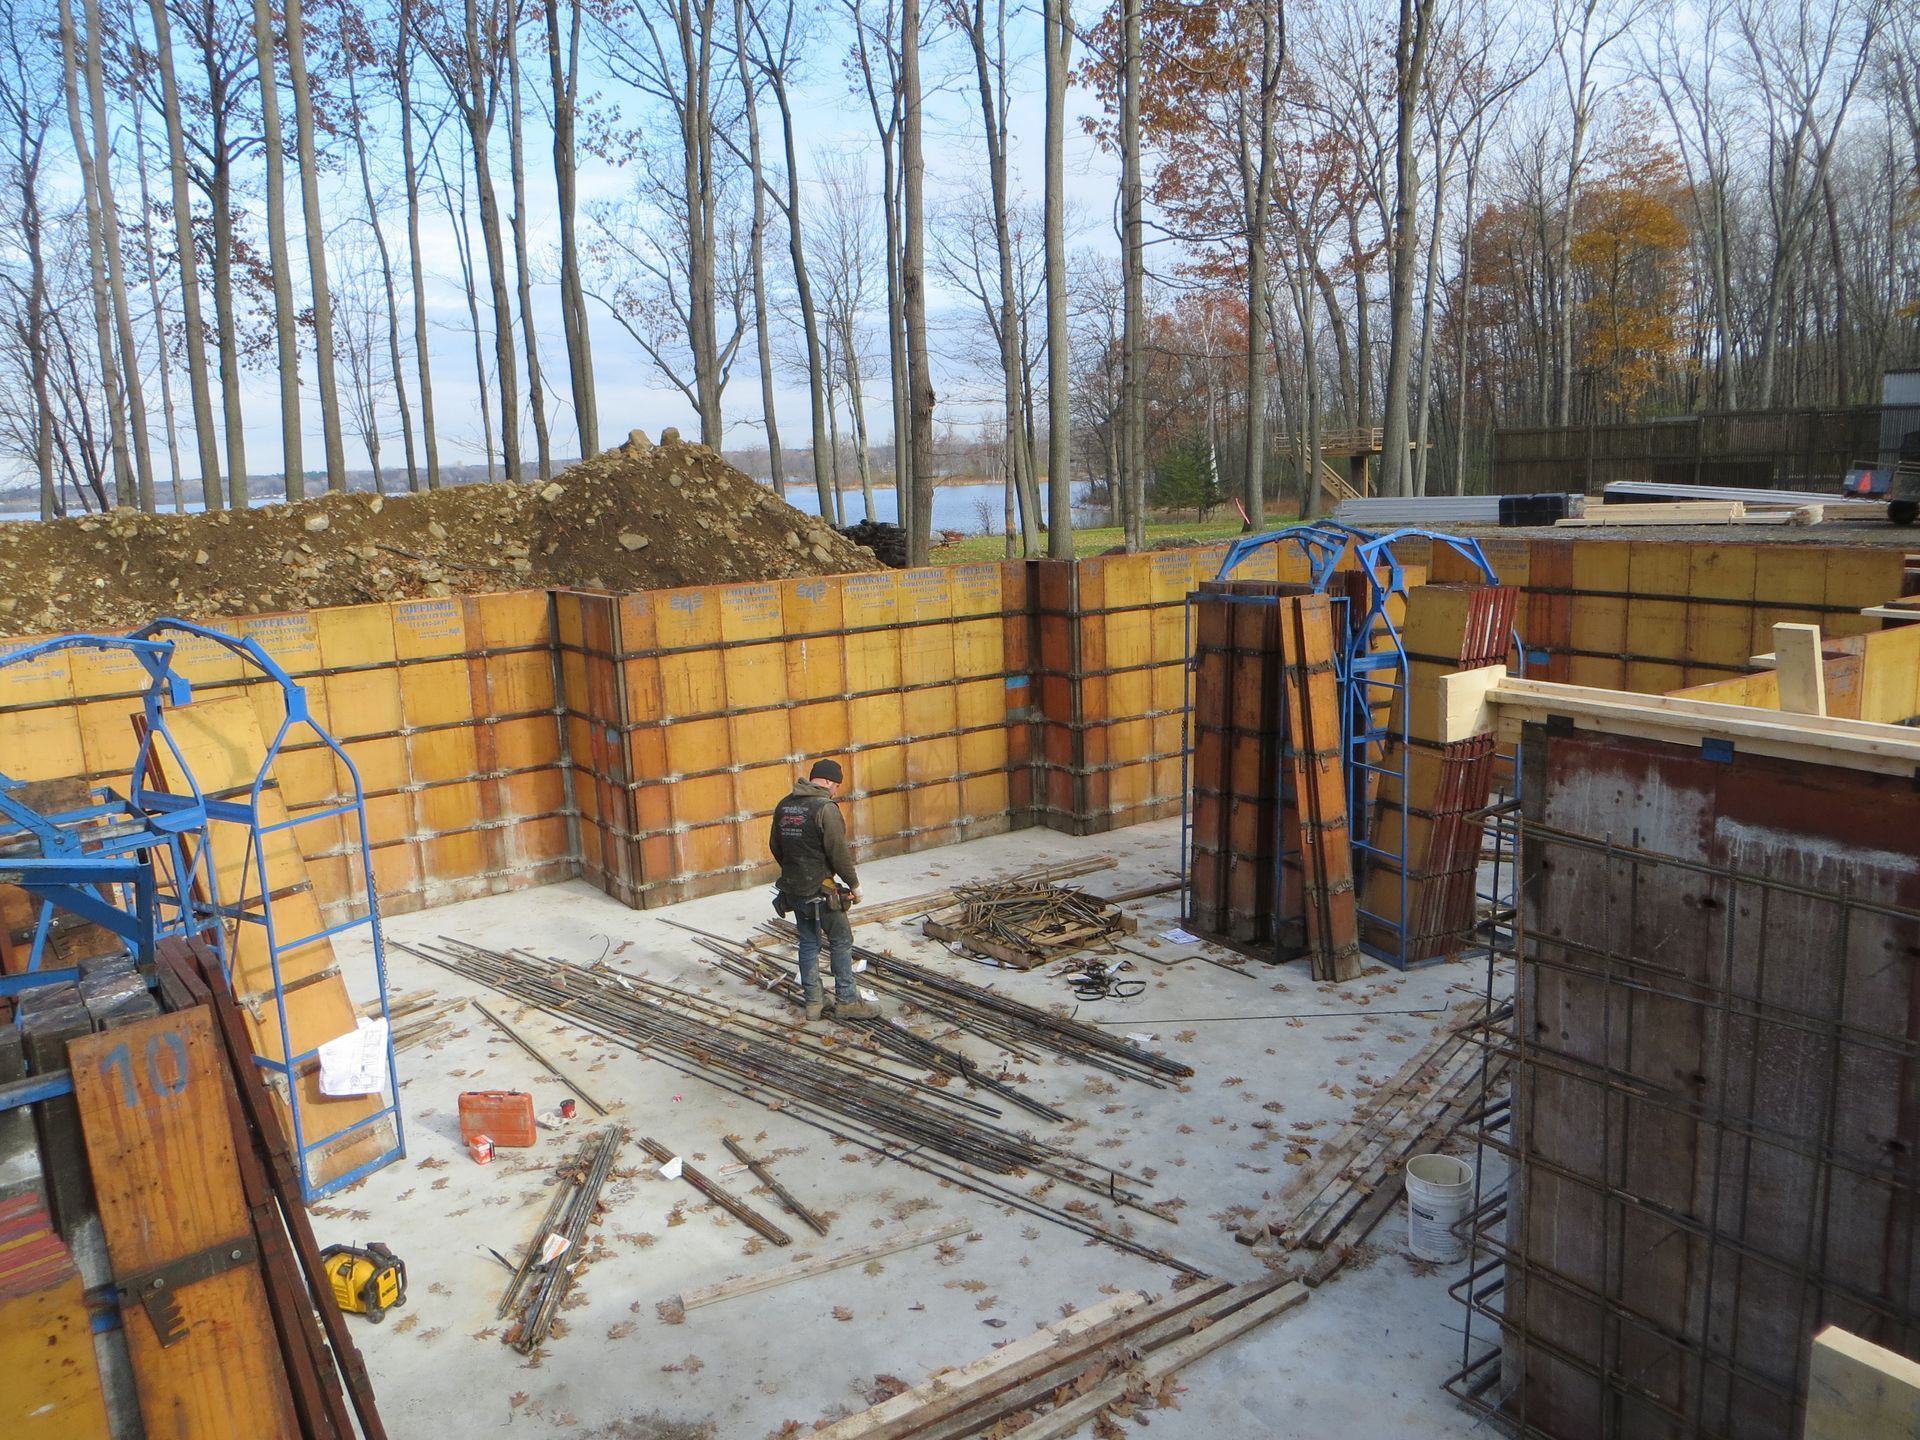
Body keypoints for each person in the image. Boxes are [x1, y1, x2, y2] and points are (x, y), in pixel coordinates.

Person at [768, 759, 878, 1023]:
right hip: (820, 891)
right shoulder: (825, 808)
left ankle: (814, 1003)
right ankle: (848, 1001)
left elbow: (775, 845)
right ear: (828, 782)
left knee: (808, 942)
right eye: (836, 785)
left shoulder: (785, 804)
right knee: (841, 940)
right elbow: (838, 853)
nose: (836, 791)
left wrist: (795, 871)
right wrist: (854, 885)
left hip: (794, 890)